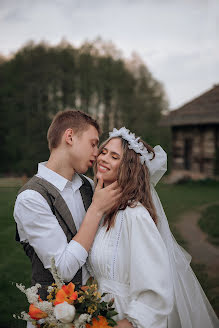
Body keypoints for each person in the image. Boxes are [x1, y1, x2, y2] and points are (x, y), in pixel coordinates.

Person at [87, 127, 219, 328]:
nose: (103, 159)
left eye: (114, 157)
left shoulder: (135, 215)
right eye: (103, 152)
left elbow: (155, 288)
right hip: (98, 313)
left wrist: (130, 322)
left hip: (124, 316)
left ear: (128, 168)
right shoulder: (102, 211)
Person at [14, 110, 121, 303]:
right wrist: (96, 210)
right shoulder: (31, 198)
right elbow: (62, 270)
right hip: (54, 316)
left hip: (99, 312)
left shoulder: (89, 186)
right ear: (70, 137)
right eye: (93, 143)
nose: (97, 154)